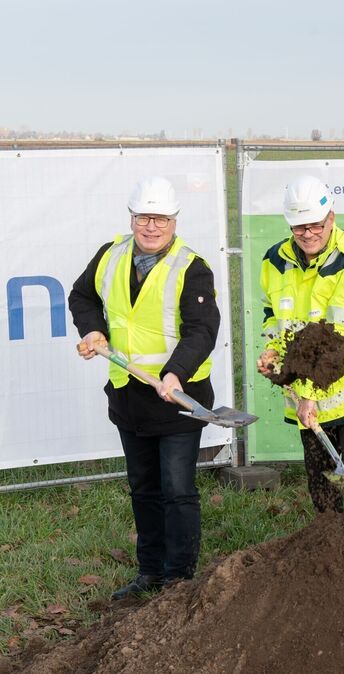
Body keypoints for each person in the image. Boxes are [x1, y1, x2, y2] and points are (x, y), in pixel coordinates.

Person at [69, 177, 220, 599]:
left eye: (160, 219)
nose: (151, 227)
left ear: (174, 220)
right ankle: (150, 572)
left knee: (177, 490)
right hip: (128, 396)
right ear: (132, 217)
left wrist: (175, 373)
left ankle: (179, 578)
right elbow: (81, 296)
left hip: (177, 399)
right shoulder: (111, 254)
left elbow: (203, 330)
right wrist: (94, 331)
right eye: (143, 218)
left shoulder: (192, 267)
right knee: (144, 488)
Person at [256, 175, 344, 513]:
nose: (309, 235)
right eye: (300, 228)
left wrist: (308, 395)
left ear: (331, 219)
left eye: (316, 225)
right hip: (307, 394)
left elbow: (339, 343)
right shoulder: (274, 261)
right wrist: (273, 348)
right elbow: (273, 315)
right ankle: (329, 555)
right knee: (322, 486)